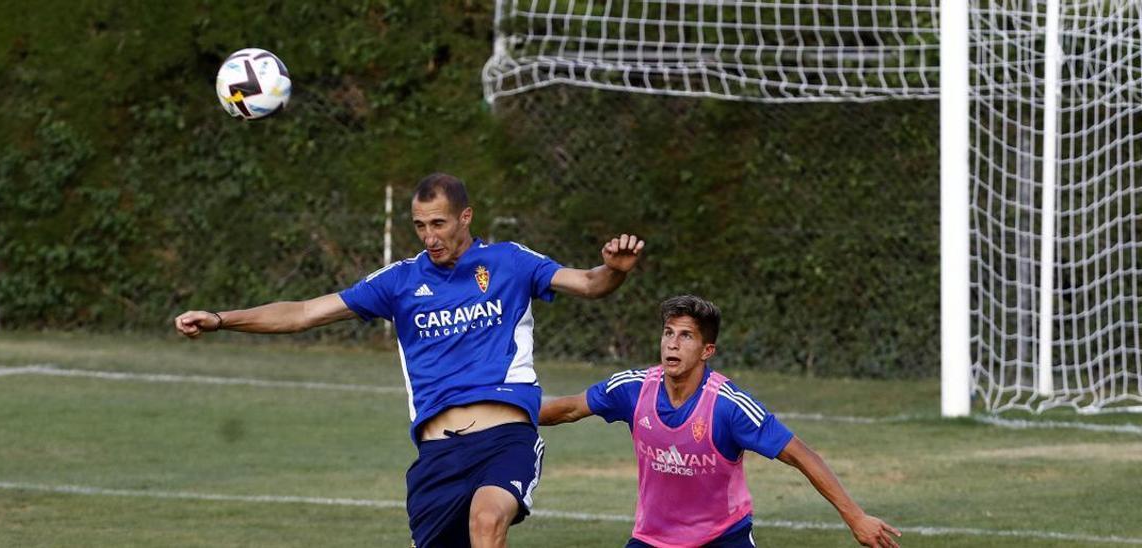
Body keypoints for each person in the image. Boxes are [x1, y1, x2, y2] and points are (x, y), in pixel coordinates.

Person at [174, 173, 645, 548]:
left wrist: (614, 271)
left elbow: (588, 283)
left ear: (465, 217)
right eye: (420, 226)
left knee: (487, 520)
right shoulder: (399, 281)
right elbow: (302, 313)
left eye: (438, 224)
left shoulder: (510, 261)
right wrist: (221, 319)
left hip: (505, 438)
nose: (429, 237)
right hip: (437, 456)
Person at [539, 295, 901, 548]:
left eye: (686, 336)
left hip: (723, 538)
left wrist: (855, 517)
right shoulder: (632, 389)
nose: (673, 344)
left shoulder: (729, 407)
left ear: (706, 351)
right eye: (668, 333)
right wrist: (500, 410)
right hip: (653, 539)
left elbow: (801, 455)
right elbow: (568, 409)